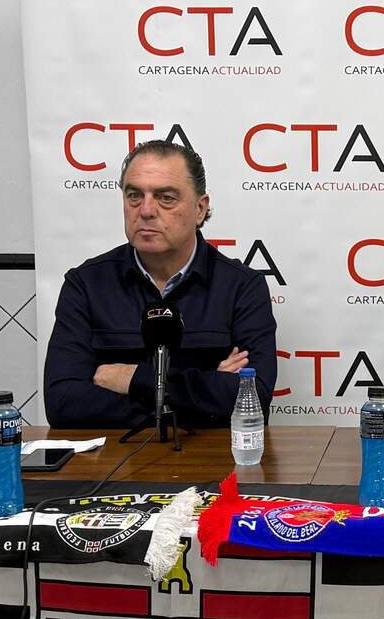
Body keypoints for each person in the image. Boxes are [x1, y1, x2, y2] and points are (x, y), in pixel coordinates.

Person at [44, 140, 277, 430]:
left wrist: (132, 379)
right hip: (113, 458)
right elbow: (63, 402)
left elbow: (253, 398)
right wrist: (202, 395)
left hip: (211, 457)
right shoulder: (86, 285)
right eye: (134, 196)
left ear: (200, 209)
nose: (146, 210)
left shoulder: (242, 287)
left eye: (166, 198)